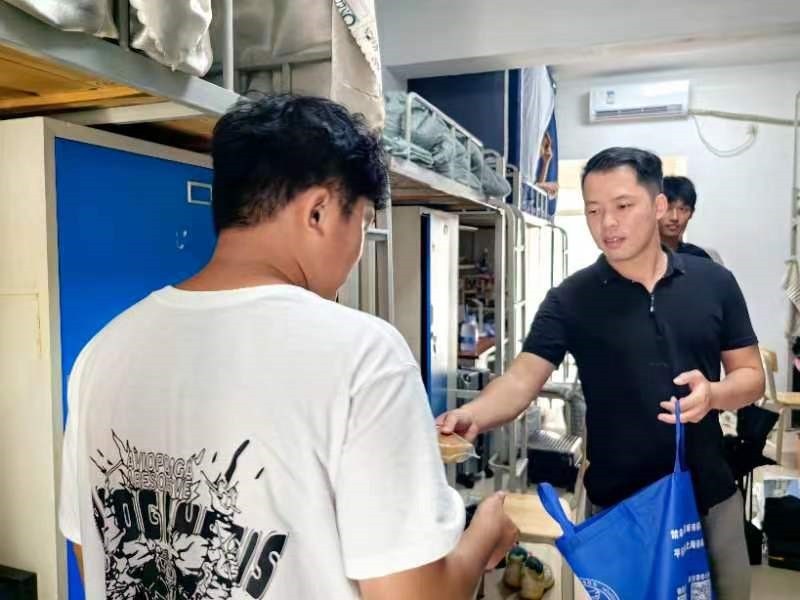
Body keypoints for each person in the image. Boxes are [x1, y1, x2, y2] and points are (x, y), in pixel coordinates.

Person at [59, 95, 517, 600]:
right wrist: (482, 538)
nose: (357, 251)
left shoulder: (102, 352)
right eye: (363, 222)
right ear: (319, 212)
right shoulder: (364, 355)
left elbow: (91, 549)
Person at [438, 147, 765, 600]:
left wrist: (713, 394)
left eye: (623, 206)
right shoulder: (571, 299)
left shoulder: (714, 283)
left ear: (658, 206)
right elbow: (520, 380)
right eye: (594, 210)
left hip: (708, 498)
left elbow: (751, 376)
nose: (607, 222)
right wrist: (472, 414)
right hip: (618, 509)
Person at [659, 175, 724, 264]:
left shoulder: (700, 257)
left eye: (682, 209)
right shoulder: (641, 256)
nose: (675, 217)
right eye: (668, 208)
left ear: (691, 213)